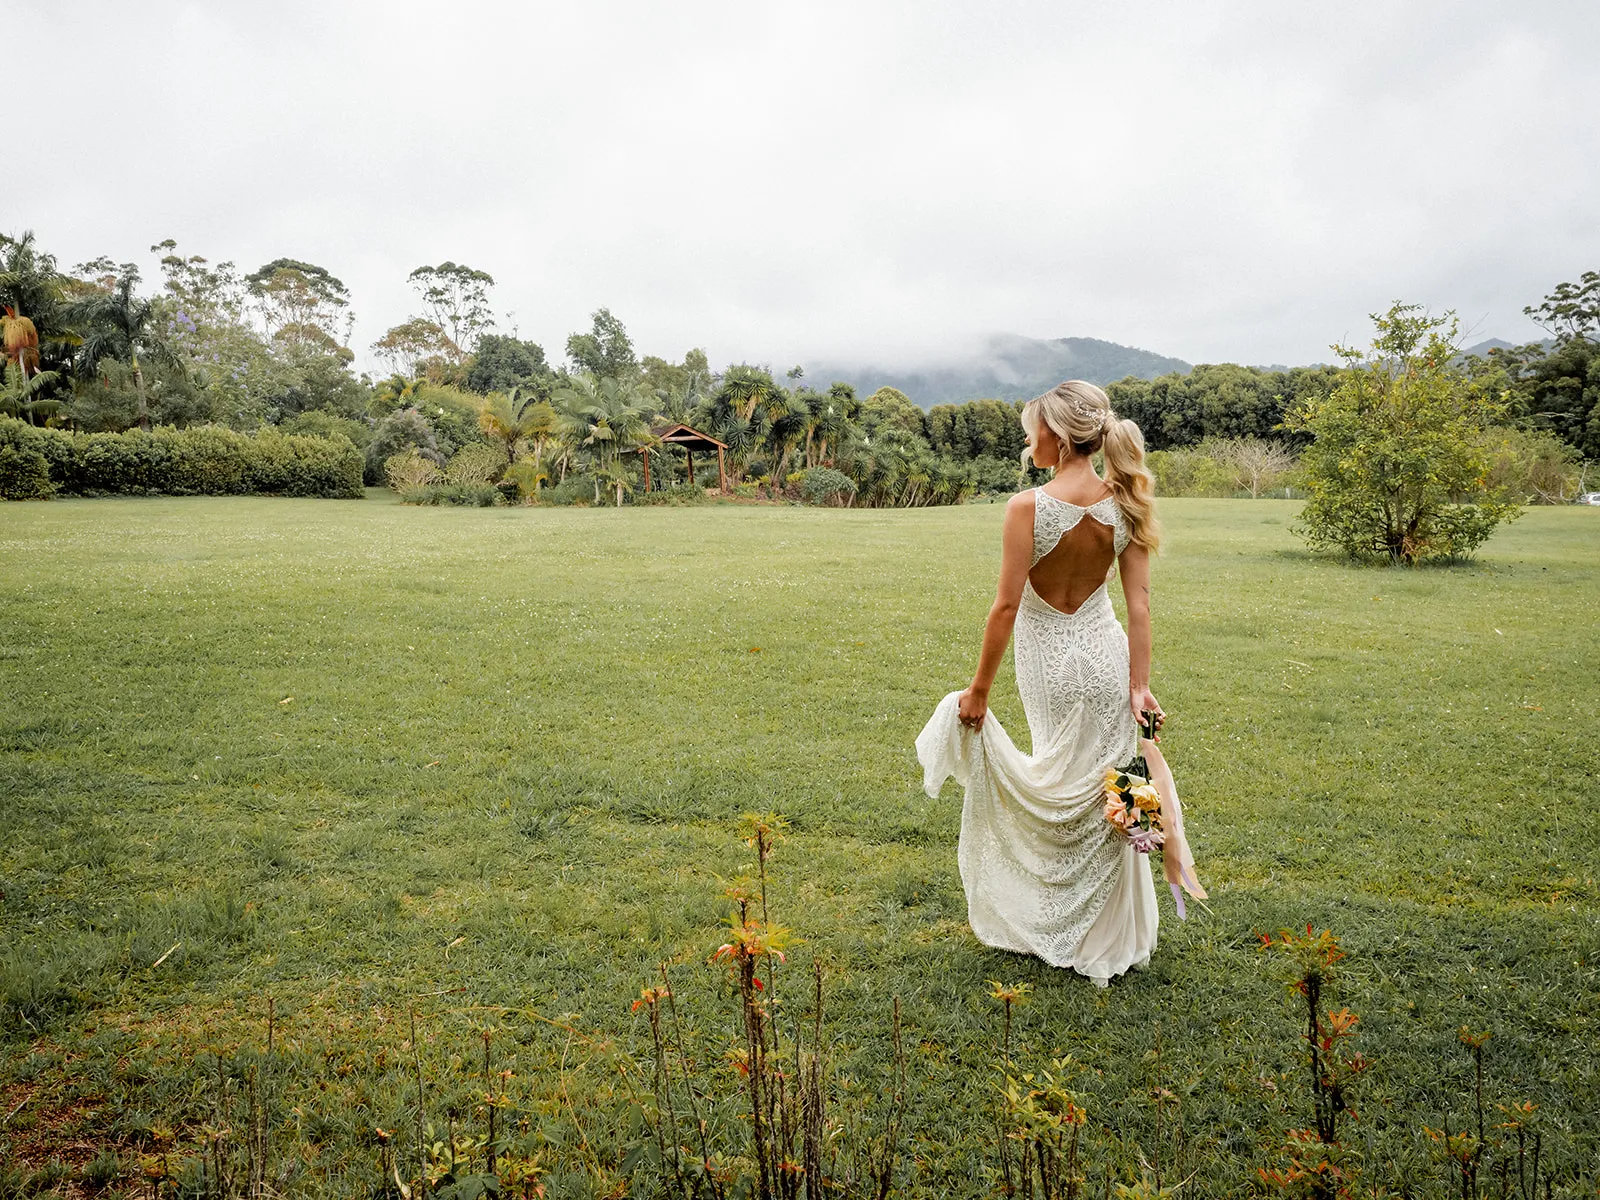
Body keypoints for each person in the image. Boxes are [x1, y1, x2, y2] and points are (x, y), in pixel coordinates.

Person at [915, 380, 1203, 985]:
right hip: (1107, 659)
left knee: (1060, 778)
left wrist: (979, 692)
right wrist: (1139, 685)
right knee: (1117, 778)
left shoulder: (1028, 508)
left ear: (1058, 435)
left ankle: (1056, 921)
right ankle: (1111, 933)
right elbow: (1141, 606)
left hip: (1047, 663)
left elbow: (1004, 608)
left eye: (1032, 430)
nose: (1027, 439)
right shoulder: (1123, 505)